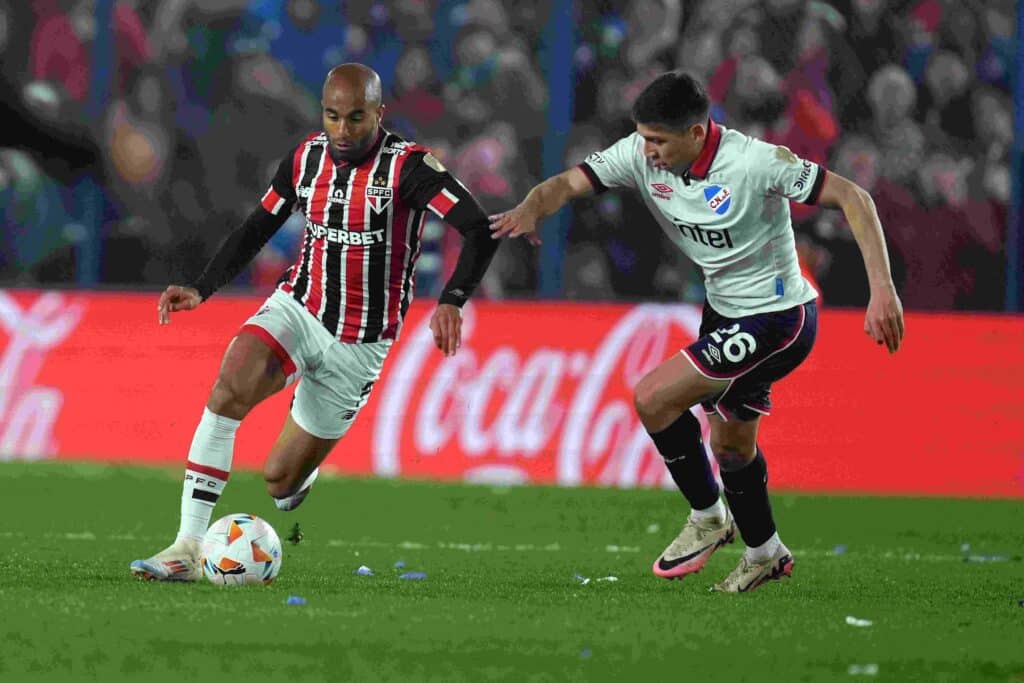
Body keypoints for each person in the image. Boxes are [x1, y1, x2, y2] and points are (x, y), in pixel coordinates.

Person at [490, 71, 904, 593]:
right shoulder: (640, 153)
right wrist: (531, 206)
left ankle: (708, 517)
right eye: (643, 138)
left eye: (658, 140)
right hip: (724, 312)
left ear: (696, 132)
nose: (648, 151)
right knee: (731, 448)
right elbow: (568, 184)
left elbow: (854, 197)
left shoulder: (755, 161)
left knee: (653, 398)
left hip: (778, 317)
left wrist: (882, 290)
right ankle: (765, 551)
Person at [131, 63, 501, 581]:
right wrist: (202, 286)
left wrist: (453, 299)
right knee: (229, 387)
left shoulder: (410, 169)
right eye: (333, 117)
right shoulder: (305, 158)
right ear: (321, 112)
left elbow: (479, 230)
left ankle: (299, 476)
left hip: (360, 344)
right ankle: (187, 548)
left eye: (356, 118)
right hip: (299, 307)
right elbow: (260, 224)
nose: (344, 131)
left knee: (279, 483)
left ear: (379, 113)